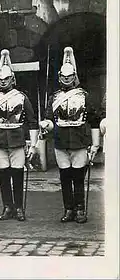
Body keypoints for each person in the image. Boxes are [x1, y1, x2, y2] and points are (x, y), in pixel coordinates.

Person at [39, 46, 100, 224]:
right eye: (63, 77)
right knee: (65, 178)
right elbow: (51, 119)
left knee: (78, 177)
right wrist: (46, 124)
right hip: (60, 141)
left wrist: (95, 144)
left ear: (74, 77)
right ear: (60, 77)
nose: (66, 80)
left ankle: (80, 209)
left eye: (69, 77)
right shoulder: (54, 97)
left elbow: (94, 120)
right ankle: (68, 209)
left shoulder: (84, 96)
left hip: (79, 141)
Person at [0, 49, 39, 222]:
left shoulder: (21, 97)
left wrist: (33, 144)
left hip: (17, 140)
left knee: (17, 174)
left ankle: (19, 207)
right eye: (1, 79)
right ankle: (7, 206)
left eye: (7, 79)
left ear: (12, 79)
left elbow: (32, 121)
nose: (3, 82)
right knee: (3, 175)